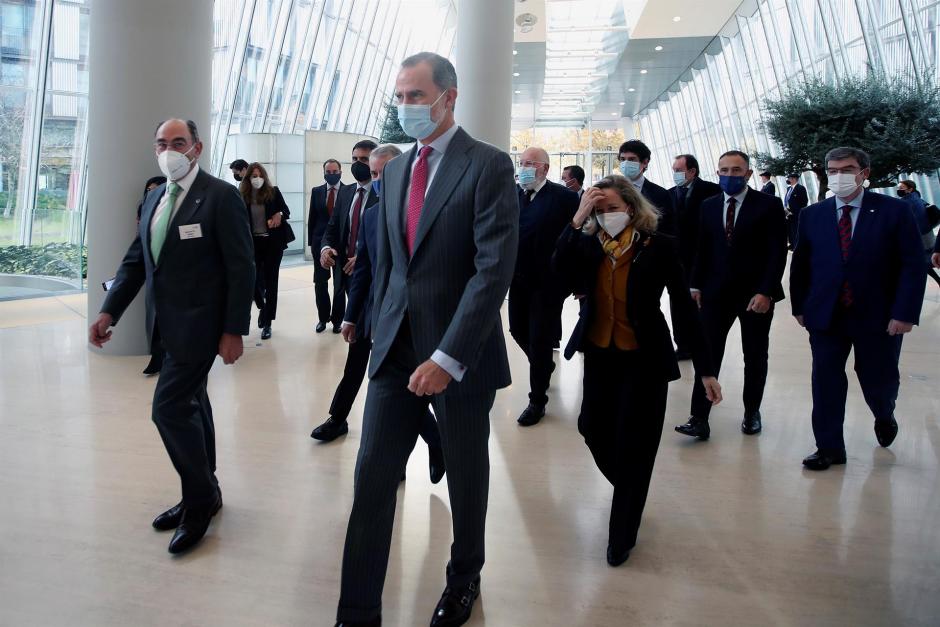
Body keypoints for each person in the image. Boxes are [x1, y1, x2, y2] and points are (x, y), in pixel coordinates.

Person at [334, 52, 518, 627]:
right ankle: (357, 612)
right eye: (401, 96)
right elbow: (389, 266)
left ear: (449, 96)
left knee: (466, 478)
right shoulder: (393, 172)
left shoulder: (487, 166)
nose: (406, 106)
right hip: (393, 354)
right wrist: (368, 329)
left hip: (458, 356)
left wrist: (447, 355)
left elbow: (492, 271)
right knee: (371, 483)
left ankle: (465, 576)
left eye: (416, 95)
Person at [88, 119, 254, 553]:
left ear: (196, 147)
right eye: (161, 142)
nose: (169, 150)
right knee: (194, 403)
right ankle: (206, 491)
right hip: (165, 325)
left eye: (178, 142)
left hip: (203, 326)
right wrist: (109, 312)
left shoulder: (220, 197)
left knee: (169, 409)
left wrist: (234, 330)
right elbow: (136, 262)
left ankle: (199, 501)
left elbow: (242, 269)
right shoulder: (156, 196)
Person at [552, 176, 722, 566]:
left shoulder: (658, 247)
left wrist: (706, 369)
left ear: (631, 207)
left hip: (645, 359)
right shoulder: (587, 244)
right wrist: (576, 219)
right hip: (600, 353)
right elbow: (557, 269)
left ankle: (622, 535)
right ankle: (632, 490)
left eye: (611, 208)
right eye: (599, 209)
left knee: (635, 444)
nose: (606, 216)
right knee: (591, 428)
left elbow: (683, 307)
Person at [312, 144, 446, 482]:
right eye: (367, 169)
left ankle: (414, 451)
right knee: (363, 370)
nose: (373, 177)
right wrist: (350, 316)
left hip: (407, 316)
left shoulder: (422, 208)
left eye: (379, 171)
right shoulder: (364, 206)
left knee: (399, 386)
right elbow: (363, 268)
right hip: (371, 310)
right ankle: (340, 419)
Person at [790, 147, 925, 470]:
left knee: (877, 378)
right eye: (832, 170)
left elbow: (912, 265)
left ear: (864, 173)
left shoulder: (894, 211)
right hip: (826, 314)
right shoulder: (813, 214)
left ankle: (884, 412)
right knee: (825, 381)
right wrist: (800, 306)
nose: (839, 176)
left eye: (847, 169)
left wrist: (904, 313)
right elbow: (801, 264)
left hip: (878, 316)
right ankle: (829, 447)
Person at [675, 150, 787, 440]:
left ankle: (752, 412)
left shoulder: (769, 205)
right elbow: (703, 248)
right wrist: (695, 284)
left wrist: (766, 291)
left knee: (755, 354)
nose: (729, 175)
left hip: (755, 296)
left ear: (748, 174)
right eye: (724, 170)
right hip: (715, 293)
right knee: (707, 354)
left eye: (736, 170)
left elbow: (776, 254)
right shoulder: (709, 206)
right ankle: (699, 417)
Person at [510, 146, 579, 427]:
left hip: (548, 282)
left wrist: (575, 280)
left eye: (530, 163)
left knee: (539, 339)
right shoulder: (512, 195)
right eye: (522, 162)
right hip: (517, 279)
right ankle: (543, 365)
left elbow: (577, 237)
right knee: (517, 330)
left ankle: (537, 400)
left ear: (545, 169)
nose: (524, 167)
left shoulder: (564, 198)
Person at [320, 140, 378, 333]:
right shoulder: (346, 192)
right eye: (354, 159)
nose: (357, 163)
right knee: (353, 324)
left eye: (364, 159)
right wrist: (326, 248)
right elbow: (332, 227)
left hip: (369, 271)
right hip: (343, 267)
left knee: (363, 326)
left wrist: (363, 256)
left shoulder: (384, 194)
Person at [668, 154, 722, 359]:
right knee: (678, 303)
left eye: (679, 170)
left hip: (702, 258)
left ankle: (702, 344)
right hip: (677, 260)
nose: (675, 174)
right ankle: (682, 345)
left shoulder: (712, 191)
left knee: (701, 303)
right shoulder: (670, 194)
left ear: (692, 171)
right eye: (674, 170)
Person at [240, 162, 295, 340]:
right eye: (253, 176)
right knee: (253, 280)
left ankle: (268, 323)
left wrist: (279, 213)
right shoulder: (242, 196)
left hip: (273, 243)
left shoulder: (273, 192)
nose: (257, 179)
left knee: (271, 282)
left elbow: (286, 210)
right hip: (253, 244)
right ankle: (263, 307)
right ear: (248, 178)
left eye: (259, 175)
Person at [308, 158, 350, 332]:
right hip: (320, 245)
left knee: (339, 285)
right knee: (320, 283)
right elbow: (312, 219)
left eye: (335, 172)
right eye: (328, 172)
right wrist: (312, 244)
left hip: (340, 245)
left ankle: (337, 321)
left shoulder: (349, 191)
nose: (331, 175)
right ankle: (323, 319)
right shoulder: (317, 191)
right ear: (324, 173)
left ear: (340, 172)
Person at [136, 175, 167, 375]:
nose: (151, 191)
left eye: (155, 188)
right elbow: (137, 251)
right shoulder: (145, 206)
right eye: (149, 189)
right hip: (154, 277)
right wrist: (109, 311)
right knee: (156, 322)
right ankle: (157, 359)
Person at [616, 139, 676, 235]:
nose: (626, 163)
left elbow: (668, 229)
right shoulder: (612, 190)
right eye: (623, 159)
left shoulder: (661, 194)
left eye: (631, 159)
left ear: (645, 162)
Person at [897, 179, 940, 288]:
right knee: (928, 261)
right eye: (898, 188)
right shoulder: (918, 199)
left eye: (901, 188)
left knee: (925, 262)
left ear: (910, 189)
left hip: (920, 237)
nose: (898, 190)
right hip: (928, 235)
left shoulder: (907, 203)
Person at [784, 173, 809, 250]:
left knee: (796, 229)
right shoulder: (789, 189)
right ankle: (792, 244)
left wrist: (797, 211)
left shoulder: (800, 188)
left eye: (789, 178)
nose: (788, 180)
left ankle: (797, 245)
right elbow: (787, 200)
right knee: (790, 230)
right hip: (788, 213)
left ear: (794, 179)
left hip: (796, 213)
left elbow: (804, 201)